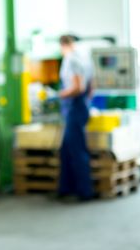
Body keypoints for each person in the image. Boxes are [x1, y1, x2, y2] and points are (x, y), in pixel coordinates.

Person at [57, 34, 94, 201]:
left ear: (63, 45)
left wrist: (59, 95)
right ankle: (66, 188)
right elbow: (91, 87)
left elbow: (78, 87)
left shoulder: (71, 60)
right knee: (65, 150)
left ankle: (85, 191)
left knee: (77, 150)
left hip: (74, 108)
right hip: (82, 106)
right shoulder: (86, 58)